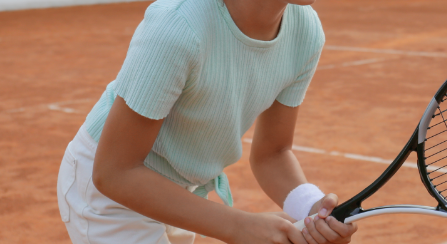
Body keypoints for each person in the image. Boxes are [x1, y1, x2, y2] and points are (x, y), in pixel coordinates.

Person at [55, 0, 357, 243]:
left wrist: (313, 210)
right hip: (110, 190)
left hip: (176, 192)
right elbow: (114, 172)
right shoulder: (178, 26)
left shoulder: (306, 31)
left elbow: (272, 154)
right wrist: (239, 227)